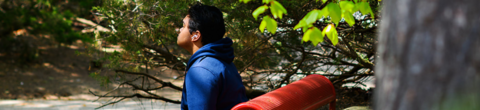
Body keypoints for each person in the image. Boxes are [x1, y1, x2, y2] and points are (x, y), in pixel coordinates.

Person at [177, 3, 248, 110]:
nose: (179, 30)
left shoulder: (200, 70)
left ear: (196, 35)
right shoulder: (222, 61)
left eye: (183, 26)